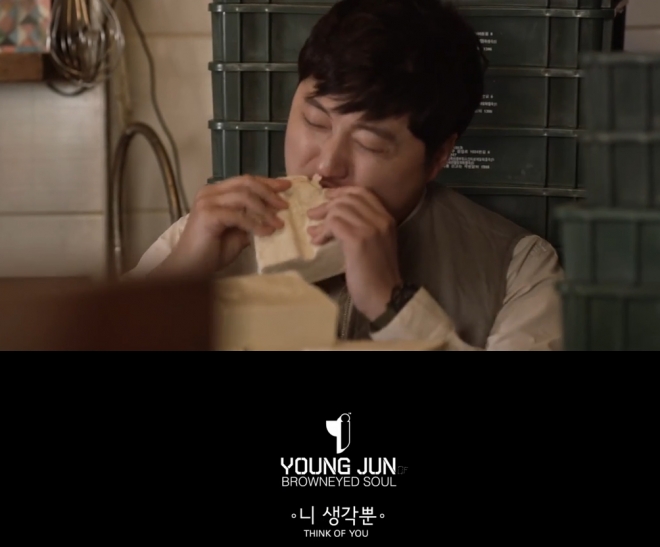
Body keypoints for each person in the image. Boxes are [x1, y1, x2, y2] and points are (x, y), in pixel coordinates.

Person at [126, 0, 563, 351]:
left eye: (369, 144)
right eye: (315, 122)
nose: (326, 165)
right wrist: (181, 274)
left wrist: (394, 307)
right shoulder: (212, 234)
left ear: (437, 157)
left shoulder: (519, 270)